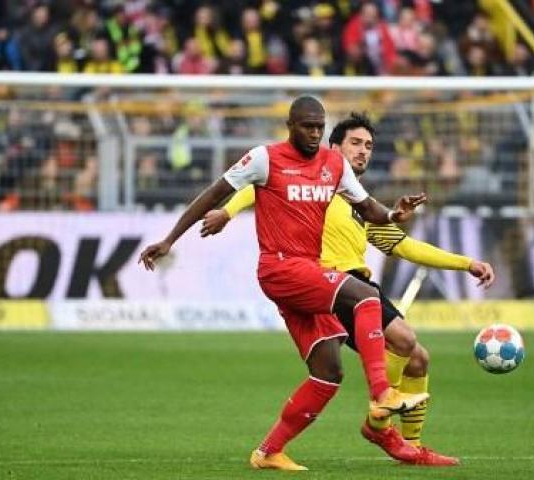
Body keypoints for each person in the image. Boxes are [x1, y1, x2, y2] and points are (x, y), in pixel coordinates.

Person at [140, 96, 430, 471]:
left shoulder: (333, 164)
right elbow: (215, 192)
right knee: (364, 297)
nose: (313, 133)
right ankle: (381, 392)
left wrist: (393, 213)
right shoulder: (264, 158)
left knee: (329, 372)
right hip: (279, 268)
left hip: (307, 272)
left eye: (318, 127)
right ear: (290, 125)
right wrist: (169, 240)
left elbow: (367, 207)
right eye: (307, 126)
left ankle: (268, 452)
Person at [202, 112, 496, 466]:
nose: (363, 151)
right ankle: (378, 419)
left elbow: (405, 246)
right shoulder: (315, 187)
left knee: (417, 359)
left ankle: (409, 446)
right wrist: (227, 212)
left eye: (369, 146)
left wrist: (466, 263)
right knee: (402, 338)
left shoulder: (363, 206)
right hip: (330, 284)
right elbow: (255, 186)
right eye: (355, 143)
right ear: (333, 147)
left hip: (357, 285)